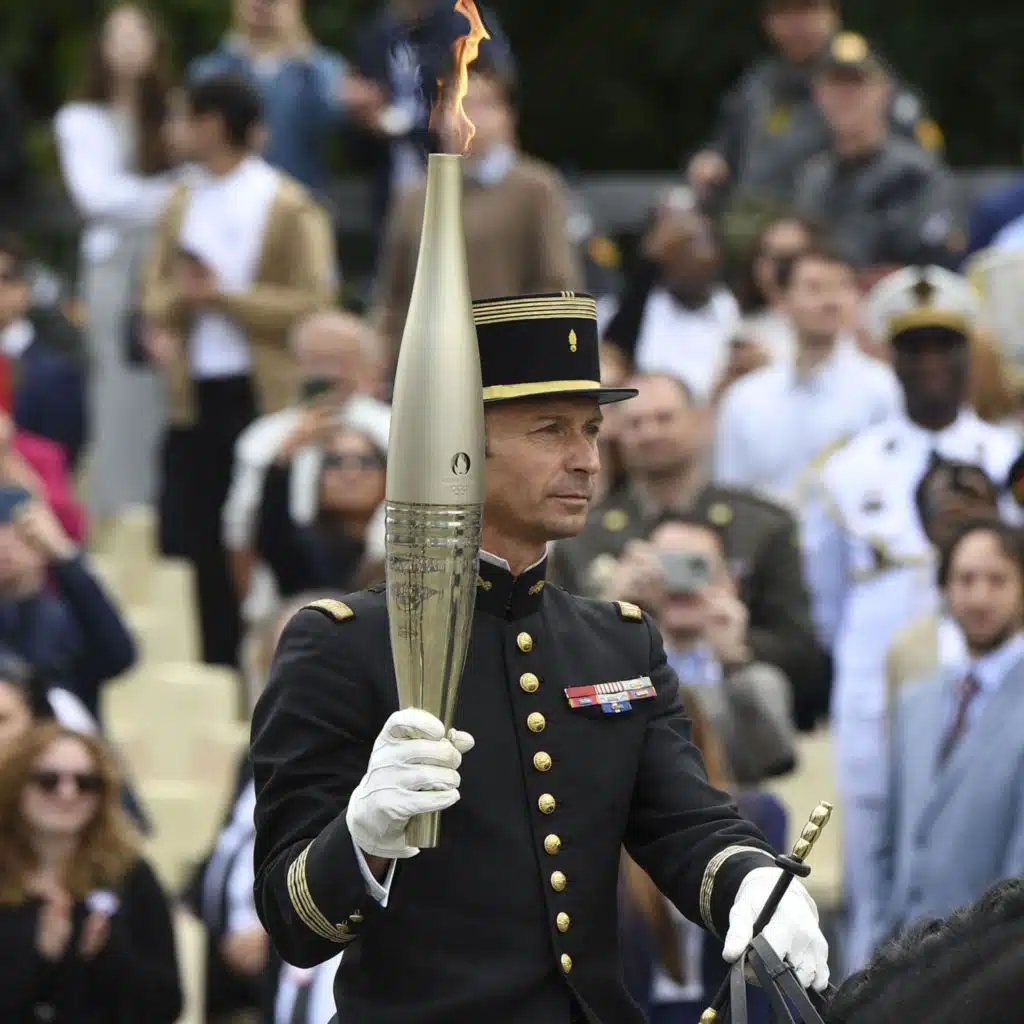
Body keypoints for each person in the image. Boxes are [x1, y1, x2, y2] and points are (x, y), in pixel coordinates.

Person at [250, 291, 829, 1022]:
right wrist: (361, 840)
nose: (586, 460)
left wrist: (752, 878)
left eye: (592, 430)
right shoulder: (342, 643)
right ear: (460, 447)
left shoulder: (619, 640)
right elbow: (291, 920)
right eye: (551, 430)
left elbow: (685, 821)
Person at [801, 265, 1023, 974]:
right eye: (913, 349)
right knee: (876, 851)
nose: (930, 364)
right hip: (875, 685)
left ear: (969, 354)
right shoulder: (849, 467)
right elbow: (825, 602)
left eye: (944, 347)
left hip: (995, 683)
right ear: (890, 359)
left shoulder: (1008, 458)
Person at [141, 72, 336, 668]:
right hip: (192, 394)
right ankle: (215, 671)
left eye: (187, 118)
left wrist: (225, 297)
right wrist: (174, 308)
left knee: (262, 532)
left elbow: (312, 299)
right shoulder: (181, 200)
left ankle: (277, 664)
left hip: (263, 393)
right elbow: (154, 291)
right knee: (196, 538)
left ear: (212, 124)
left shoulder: (286, 202)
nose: (176, 130)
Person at [54, 2, 177, 524]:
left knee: (166, 387)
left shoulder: (173, 112)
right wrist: (172, 196)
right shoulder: (80, 118)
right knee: (117, 384)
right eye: (117, 35)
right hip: (113, 268)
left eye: (138, 34)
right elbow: (97, 196)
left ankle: (166, 508)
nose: (128, 46)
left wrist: (166, 198)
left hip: (169, 263)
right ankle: (117, 509)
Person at [876, 520, 1024, 947]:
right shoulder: (915, 702)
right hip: (901, 958)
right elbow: (889, 842)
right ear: (944, 589)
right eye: (966, 579)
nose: (979, 597)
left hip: (988, 959)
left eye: (997, 580)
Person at [0, 722, 182, 1024]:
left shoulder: (130, 875)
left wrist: (107, 954)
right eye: (48, 781)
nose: (67, 793)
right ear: (17, 785)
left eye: (85, 783)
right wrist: (39, 957)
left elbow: (166, 1005)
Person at [686, 0, 939, 212]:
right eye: (783, 13)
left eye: (806, 10)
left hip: (838, 220)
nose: (796, 24)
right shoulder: (758, 83)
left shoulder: (868, 77)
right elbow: (725, 146)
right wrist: (711, 160)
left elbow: (919, 168)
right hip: (751, 215)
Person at [714, 243, 901, 506]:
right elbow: (731, 491)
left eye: (842, 287)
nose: (830, 301)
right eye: (815, 288)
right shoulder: (746, 398)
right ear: (783, 300)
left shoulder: (884, 389)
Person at [793, 34, 961, 275]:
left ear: (884, 91)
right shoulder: (813, 178)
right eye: (835, 85)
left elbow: (936, 253)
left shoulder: (917, 173)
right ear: (818, 94)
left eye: (857, 84)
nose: (846, 96)